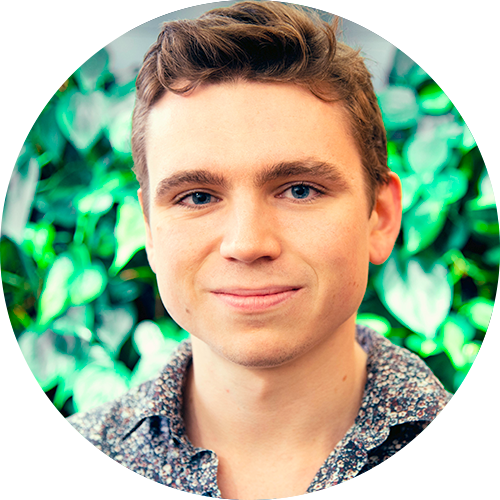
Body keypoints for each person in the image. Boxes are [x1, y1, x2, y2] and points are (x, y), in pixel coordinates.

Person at [1, 1, 499, 499]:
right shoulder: (40, 483)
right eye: (197, 197)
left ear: (381, 216)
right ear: (149, 230)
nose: (247, 244)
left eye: (300, 190)